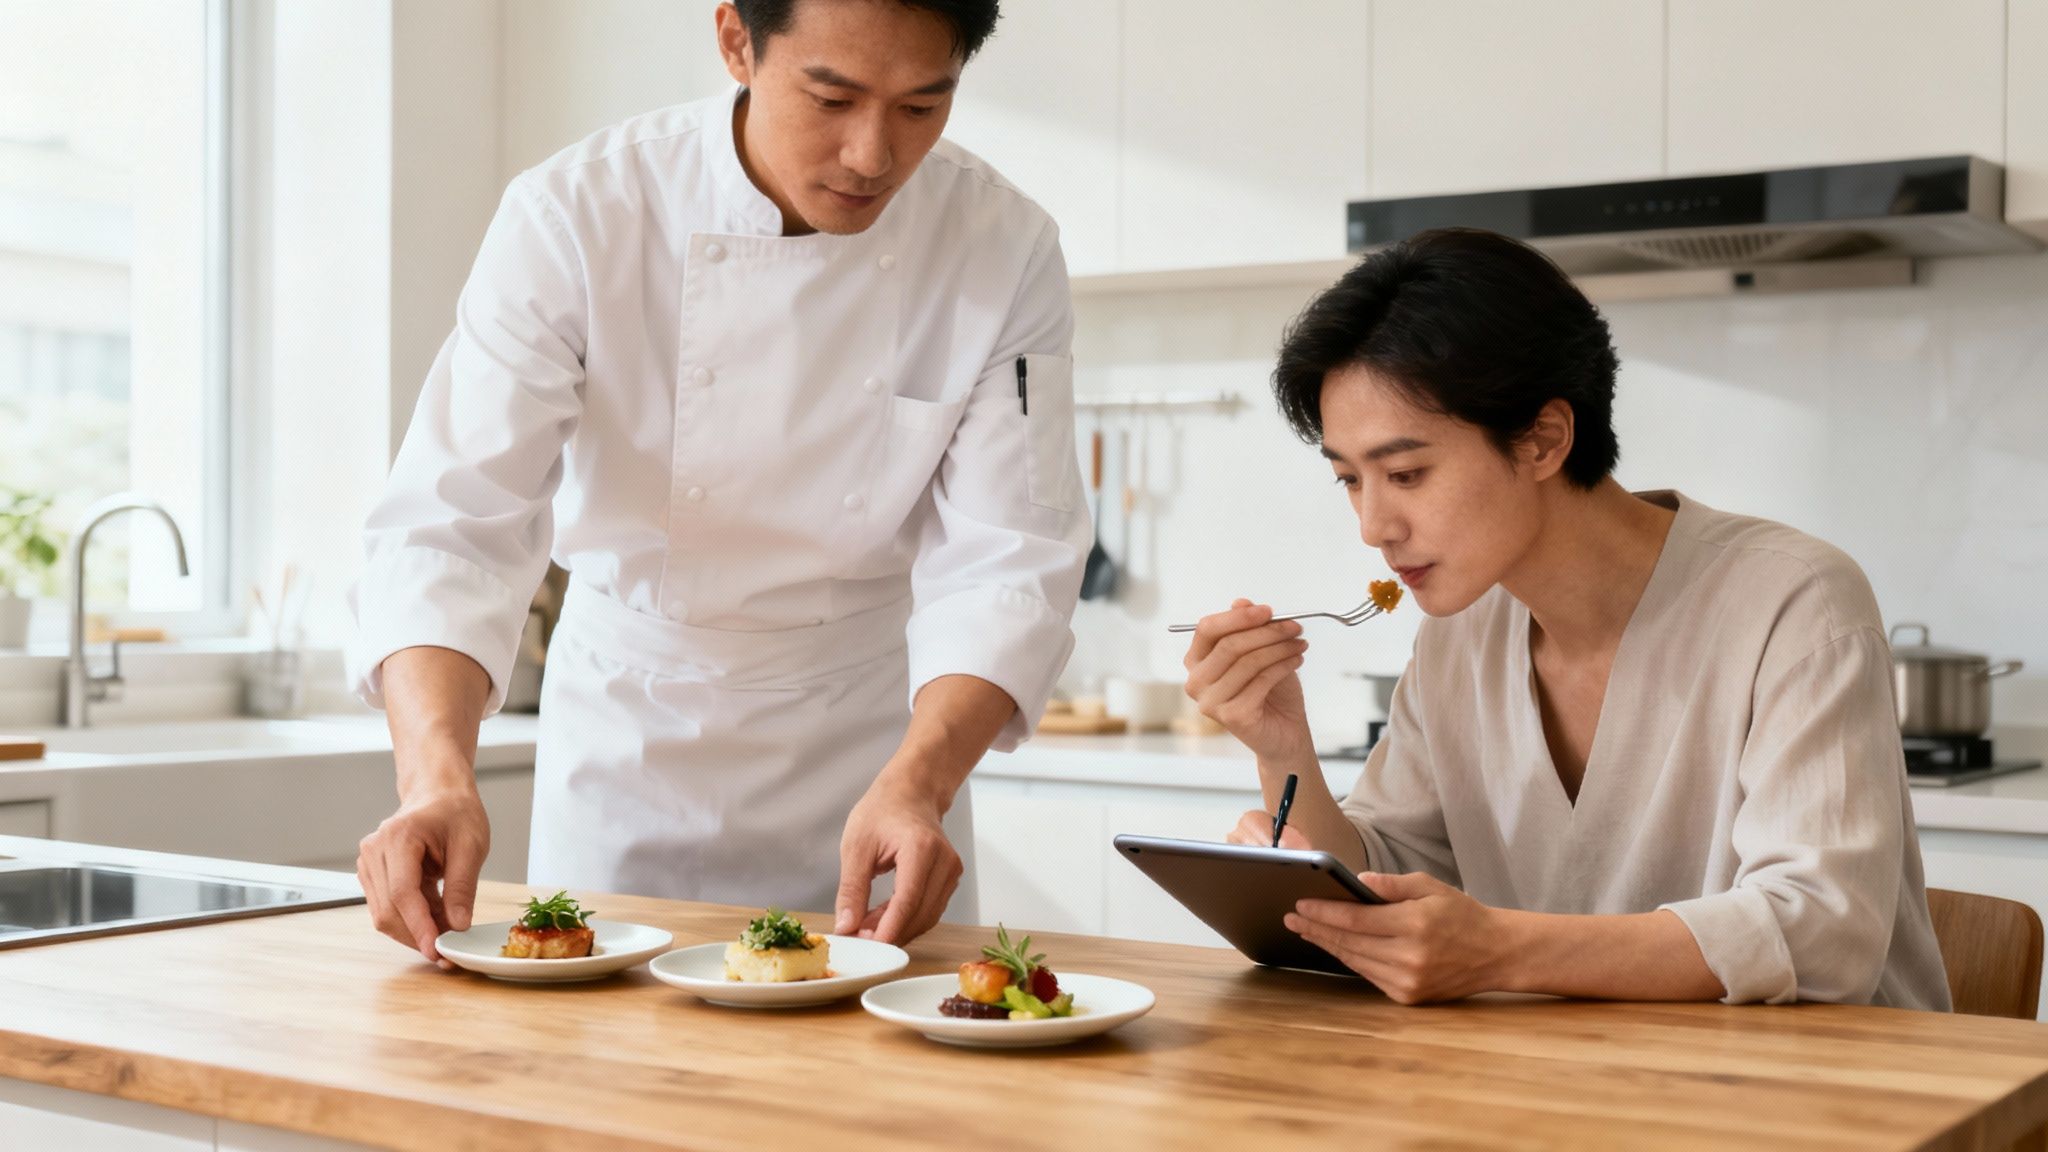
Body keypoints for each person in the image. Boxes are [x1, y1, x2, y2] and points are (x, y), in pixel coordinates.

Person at [348, 0, 1090, 966]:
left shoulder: (1003, 244)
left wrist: (921, 783)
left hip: (871, 762)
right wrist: (434, 779)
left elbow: (1009, 563)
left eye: (921, 106)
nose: (872, 154)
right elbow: (452, 524)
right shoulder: (578, 213)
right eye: (832, 97)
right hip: (628, 746)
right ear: (737, 39)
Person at [1182, 228, 1950, 1009]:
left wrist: (1497, 951)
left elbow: (1821, 932)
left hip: (1837, 1104)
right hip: (1583, 1095)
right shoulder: (1460, 632)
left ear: (1544, 438)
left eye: (1407, 473)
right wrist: (1283, 752)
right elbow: (1379, 879)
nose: (1373, 525)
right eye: (1350, 479)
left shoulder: (1792, 600)